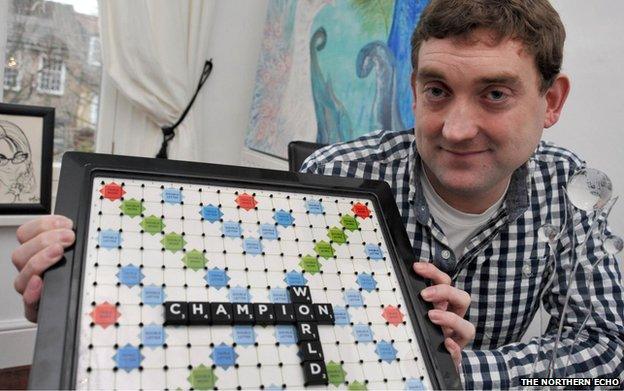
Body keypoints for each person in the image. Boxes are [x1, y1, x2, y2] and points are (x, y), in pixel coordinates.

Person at [10, 0, 624, 388]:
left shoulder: (575, 194)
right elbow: (243, 298)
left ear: (552, 102)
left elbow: (608, 353)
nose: (456, 128)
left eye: (495, 94)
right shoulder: (340, 174)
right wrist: (80, 299)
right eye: (437, 91)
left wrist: (464, 372)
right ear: (413, 88)